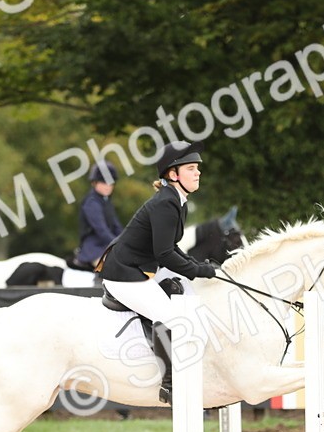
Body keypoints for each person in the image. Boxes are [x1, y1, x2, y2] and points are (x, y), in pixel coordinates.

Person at [99, 141, 218, 404]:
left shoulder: (177, 200)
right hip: (124, 273)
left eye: (197, 167)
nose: (198, 172)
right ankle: (170, 385)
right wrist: (198, 270)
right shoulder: (166, 203)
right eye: (191, 168)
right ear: (173, 174)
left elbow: (171, 247)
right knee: (170, 317)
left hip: (140, 267)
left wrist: (199, 265)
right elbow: (164, 254)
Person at [71, 161, 124, 270]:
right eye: (104, 183)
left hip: (105, 245)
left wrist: (127, 240)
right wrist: (118, 245)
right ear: (94, 183)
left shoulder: (106, 201)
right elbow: (101, 230)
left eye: (110, 183)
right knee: (111, 267)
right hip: (93, 248)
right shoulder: (91, 202)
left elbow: (116, 226)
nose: (108, 187)